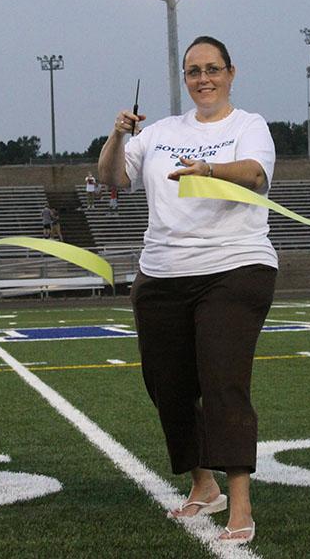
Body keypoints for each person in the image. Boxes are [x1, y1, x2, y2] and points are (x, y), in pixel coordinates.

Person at [98, 36, 277, 545]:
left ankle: (240, 504)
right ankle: (204, 484)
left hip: (234, 266)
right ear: (184, 78)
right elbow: (112, 179)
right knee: (167, 385)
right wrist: (115, 136)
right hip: (162, 273)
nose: (204, 79)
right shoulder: (158, 132)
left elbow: (256, 174)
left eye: (213, 69)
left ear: (231, 73)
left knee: (223, 381)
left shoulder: (249, 126)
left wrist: (210, 170)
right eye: (194, 71)